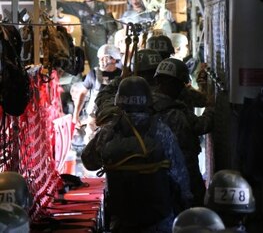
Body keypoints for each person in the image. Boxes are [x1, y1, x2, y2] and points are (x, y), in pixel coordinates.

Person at [81, 76, 193, 233]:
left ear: (119, 101)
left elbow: (88, 161)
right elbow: (180, 176)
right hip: (160, 221)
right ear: (148, 100)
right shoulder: (161, 131)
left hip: (122, 221)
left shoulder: (109, 131)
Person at [153, 57, 215, 206]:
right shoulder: (177, 112)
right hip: (185, 174)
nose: (183, 87)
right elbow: (203, 125)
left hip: (157, 177)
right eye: (181, 84)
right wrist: (212, 108)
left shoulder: (147, 105)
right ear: (175, 84)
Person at [57, 0, 118, 70]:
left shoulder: (103, 7)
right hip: (90, 46)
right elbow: (62, 4)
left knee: (107, 68)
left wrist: (110, 45)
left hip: (104, 45)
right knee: (95, 69)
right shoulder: (79, 7)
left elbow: (112, 28)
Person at [70, 44, 122, 146]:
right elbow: (82, 94)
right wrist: (75, 114)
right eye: (100, 58)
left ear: (114, 59)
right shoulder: (93, 74)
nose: (101, 61)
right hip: (95, 117)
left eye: (104, 58)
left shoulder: (122, 75)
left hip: (115, 116)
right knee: (91, 142)